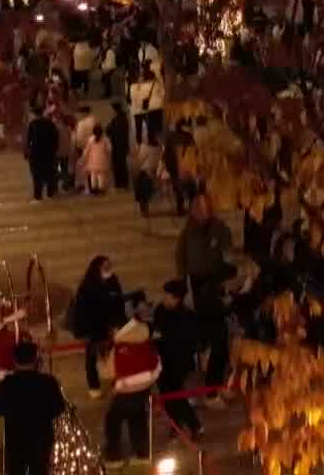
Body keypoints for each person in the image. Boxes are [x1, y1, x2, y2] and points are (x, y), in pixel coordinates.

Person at [175, 193, 234, 400]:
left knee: (220, 342)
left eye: (205, 206)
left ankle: (213, 388)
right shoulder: (187, 234)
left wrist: (227, 287)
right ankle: (208, 390)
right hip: (196, 291)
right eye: (197, 207)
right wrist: (186, 291)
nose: (201, 211)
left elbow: (229, 260)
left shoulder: (220, 229)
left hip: (216, 288)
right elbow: (181, 263)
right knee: (205, 342)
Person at [100, 295, 160, 466]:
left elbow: (108, 373)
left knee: (113, 421)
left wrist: (102, 361)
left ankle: (114, 455)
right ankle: (141, 454)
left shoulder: (118, 348)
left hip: (124, 391)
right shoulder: (143, 342)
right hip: (144, 389)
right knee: (138, 419)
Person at [0, 340, 67, 475]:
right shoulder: (48, 382)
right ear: (35, 359)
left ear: (14, 360)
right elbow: (59, 408)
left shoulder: (5, 384)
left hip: (15, 439)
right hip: (41, 438)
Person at [152, 279, 204, 439]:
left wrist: (164, 338)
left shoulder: (187, 316)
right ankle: (177, 424)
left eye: (168, 296)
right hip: (161, 360)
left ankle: (194, 426)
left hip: (177, 363)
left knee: (176, 396)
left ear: (177, 298)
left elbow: (189, 342)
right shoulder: (160, 310)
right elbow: (156, 328)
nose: (164, 299)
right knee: (166, 397)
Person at [70, 255, 125, 398]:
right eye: (105, 266)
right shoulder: (87, 286)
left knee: (115, 355)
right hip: (93, 328)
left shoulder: (113, 281)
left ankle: (116, 382)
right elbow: (81, 311)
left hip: (111, 326)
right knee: (92, 358)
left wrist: (118, 323)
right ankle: (94, 386)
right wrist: (85, 332)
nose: (109, 268)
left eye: (109, 265)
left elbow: (119, 302)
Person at [25, 114, 60, 202]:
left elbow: (29, 140)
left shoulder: (33, 124)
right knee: (50, 174)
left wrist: (27, 153)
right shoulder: (51, 124)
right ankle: (50, 194)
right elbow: (56, 139)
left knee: (37, 176)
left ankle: (38, 196)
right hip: (49, 154)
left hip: (36, 154)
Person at [82, 125, 112, 194]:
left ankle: (94, 188)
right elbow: (110, 149)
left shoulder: (90, 139)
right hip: (102, 161)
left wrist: (84, 159)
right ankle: (101, 188)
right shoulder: (105, 139)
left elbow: (86, 151)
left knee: (93, 175)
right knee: (101, 176)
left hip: (92, 161)